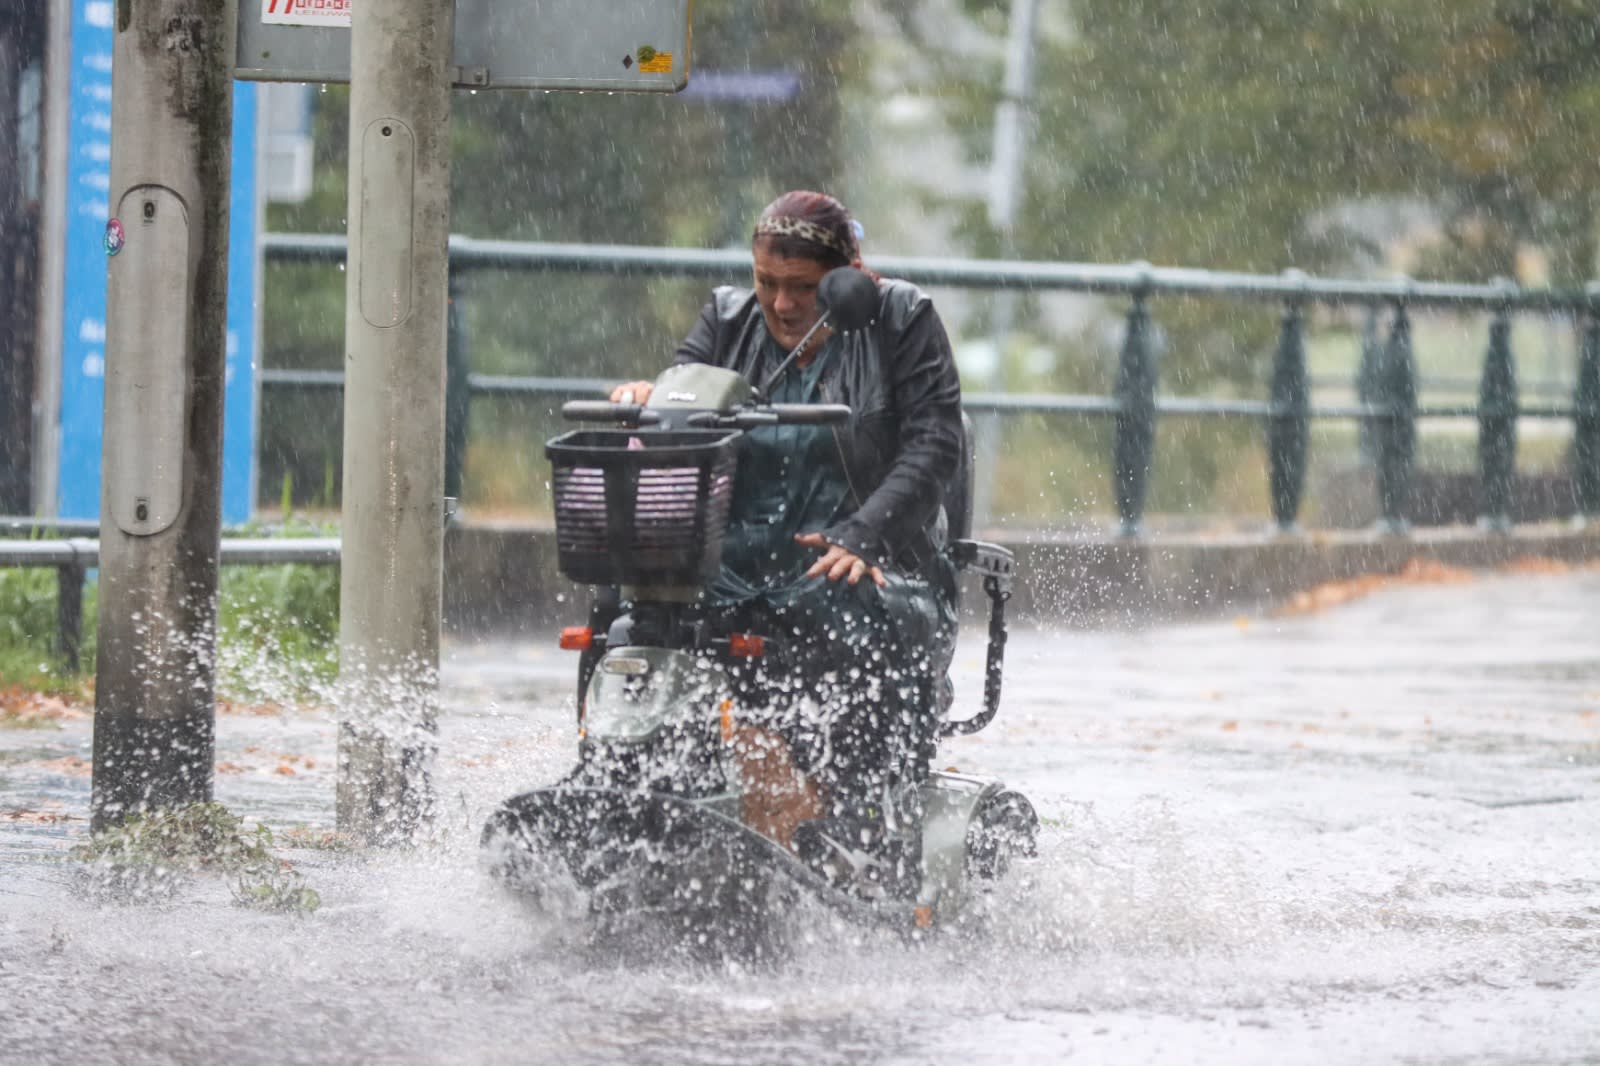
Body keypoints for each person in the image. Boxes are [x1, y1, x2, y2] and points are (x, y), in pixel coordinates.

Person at [608, 190, 964, 882]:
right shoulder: (727, 318)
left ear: (848, 278)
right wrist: (648, 401)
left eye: (801, 288)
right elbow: (682, 404)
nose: (780, 304)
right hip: (735, 568)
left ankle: (857, 829)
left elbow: (933, 446)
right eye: (766, 283)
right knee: (630, 626)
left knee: (852, 624)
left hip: (876, 567)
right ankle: (623, 800)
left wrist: (864, 537)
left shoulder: (900, 320)